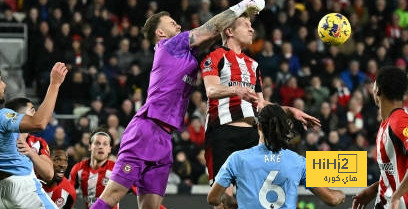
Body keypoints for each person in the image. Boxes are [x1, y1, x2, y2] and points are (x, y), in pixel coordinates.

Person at [92, 1, 267, 209]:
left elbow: (216, 36)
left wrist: (245, 18)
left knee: (150, 206)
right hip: (147, 128)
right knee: (114, 195)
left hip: (165, 138)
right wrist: (243, 5)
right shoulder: (169, 45)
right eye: (172, 23)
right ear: (160, 32)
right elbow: (211, 28)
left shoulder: (187, 55)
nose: (178, 26)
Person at [200, 13, 320, 207]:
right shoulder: (215, 57)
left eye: (251, 25)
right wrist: (236, 90)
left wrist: (290, 111)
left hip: (251, 134)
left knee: (252, 196)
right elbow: (211, 90)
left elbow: (261, 104)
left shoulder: (253, 65)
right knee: (224, 201)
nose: (251, 29)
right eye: (245, 25)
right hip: (223, 133)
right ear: (229, 31)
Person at [207, 104, 345, 208]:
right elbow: (331, 199)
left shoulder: (237, 159)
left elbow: (212, 198)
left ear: (259, 126)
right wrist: (340, 194)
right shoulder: (298, 162)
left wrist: (228, 200)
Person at [0, 62, 68, 209]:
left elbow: (49, 174)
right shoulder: (3, 116)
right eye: (0, 80)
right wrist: (55, 84)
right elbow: (40, 123)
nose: (4, 85)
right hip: (21, 187)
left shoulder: (34, 142)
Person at [352, 66, 408, 209]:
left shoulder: (400, 121)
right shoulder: (387, 123)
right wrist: (374, 189)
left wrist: (397, 196)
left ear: (378, 90)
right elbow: (395, 171)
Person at [5, 97, 53, 182]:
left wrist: (31, 153)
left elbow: (49, 174)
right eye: (32, 110)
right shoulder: (3, 139)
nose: (36, 114)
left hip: (31, 191)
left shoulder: (38, 142)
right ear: (19, 116)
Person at [69, 129, 116, 209]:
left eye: (105, 144)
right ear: (90, 147)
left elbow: (137, 189)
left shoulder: (116, 169)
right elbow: (67, 193)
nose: (101, 147)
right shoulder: (78, 169)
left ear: (109, 149)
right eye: (97, 143)